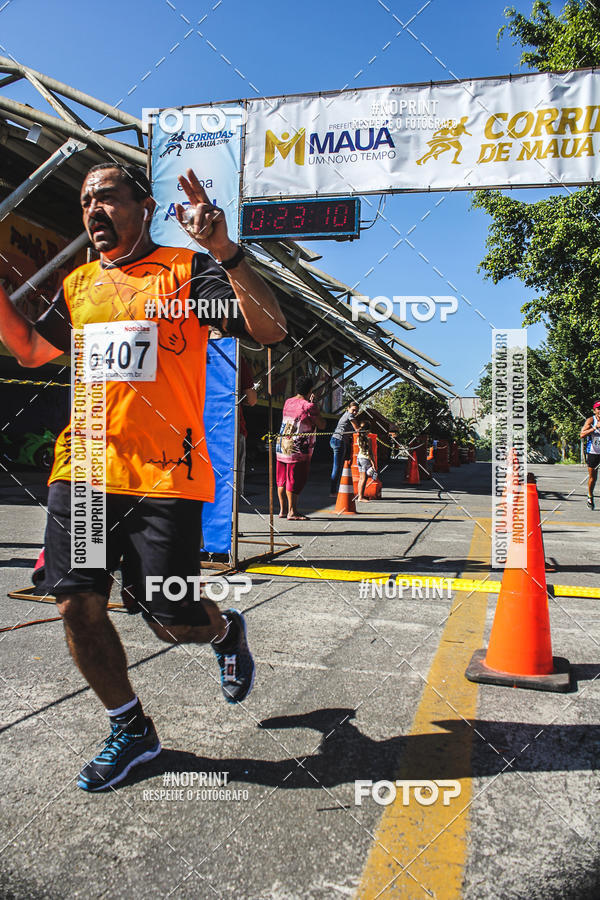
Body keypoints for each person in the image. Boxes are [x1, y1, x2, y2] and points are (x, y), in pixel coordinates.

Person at [0, 163, 286, 792]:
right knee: (77, 603)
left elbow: (270, 328)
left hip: (165, 476)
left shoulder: (186, 271)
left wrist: (226, 252)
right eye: (84, 203)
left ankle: (222, 628)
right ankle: (131, 729)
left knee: (169, 616)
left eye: (106, 197)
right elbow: (28, 348)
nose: (93, 211)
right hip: (84, 469)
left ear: (145, 205)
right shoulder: (77, 285)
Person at [276, 375, 325, 520]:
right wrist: (314, 404)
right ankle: (293, 511)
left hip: (282, 444)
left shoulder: (288, 402)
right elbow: (322, 424)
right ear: (310, 390)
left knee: (282, 479)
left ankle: (283, 510)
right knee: (294, 478)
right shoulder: (309, 406)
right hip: (298, 448)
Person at [329, 401, 359, 496]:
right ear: (348, 408)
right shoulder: (350, 415)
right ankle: (333, 491)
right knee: (337, 467)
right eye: (353, 410)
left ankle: (339, 488)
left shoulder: (345, 415)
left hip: (336, 440)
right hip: (339, 441)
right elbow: (357, 429)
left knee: (341, 465)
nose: (354, 412)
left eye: (356, 411)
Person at [580, 401, 600, 509]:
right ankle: (590, 496)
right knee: (593, 477)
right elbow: (582, 434)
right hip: (593, 453)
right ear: (595, 410)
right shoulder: (591, 420)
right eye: (598, 408)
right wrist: (595, 428)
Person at [356, 419, 378, 502]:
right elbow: (370, 453)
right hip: (365, 459)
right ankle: (360, 497)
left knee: (361, 478)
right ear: (368, 430)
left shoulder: (359, 438)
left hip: (359, 458)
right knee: (364, 479)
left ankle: (359, 495)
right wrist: (373, 463)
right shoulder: (368, 439)